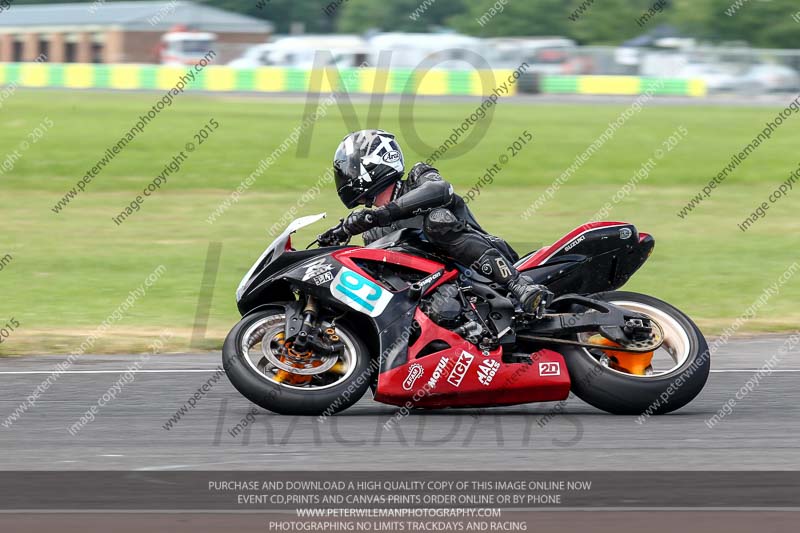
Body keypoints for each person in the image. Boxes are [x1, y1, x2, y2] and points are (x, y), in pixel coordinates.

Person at [321, 129, 552, 314]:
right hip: (442, 293)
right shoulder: (374, 232)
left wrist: (379, 215)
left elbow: (440, 190)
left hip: (484, 268)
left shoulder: (418, 176)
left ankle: (519, 284)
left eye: (350, 167)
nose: (345, 174)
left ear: (371, 162)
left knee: (437, 221)